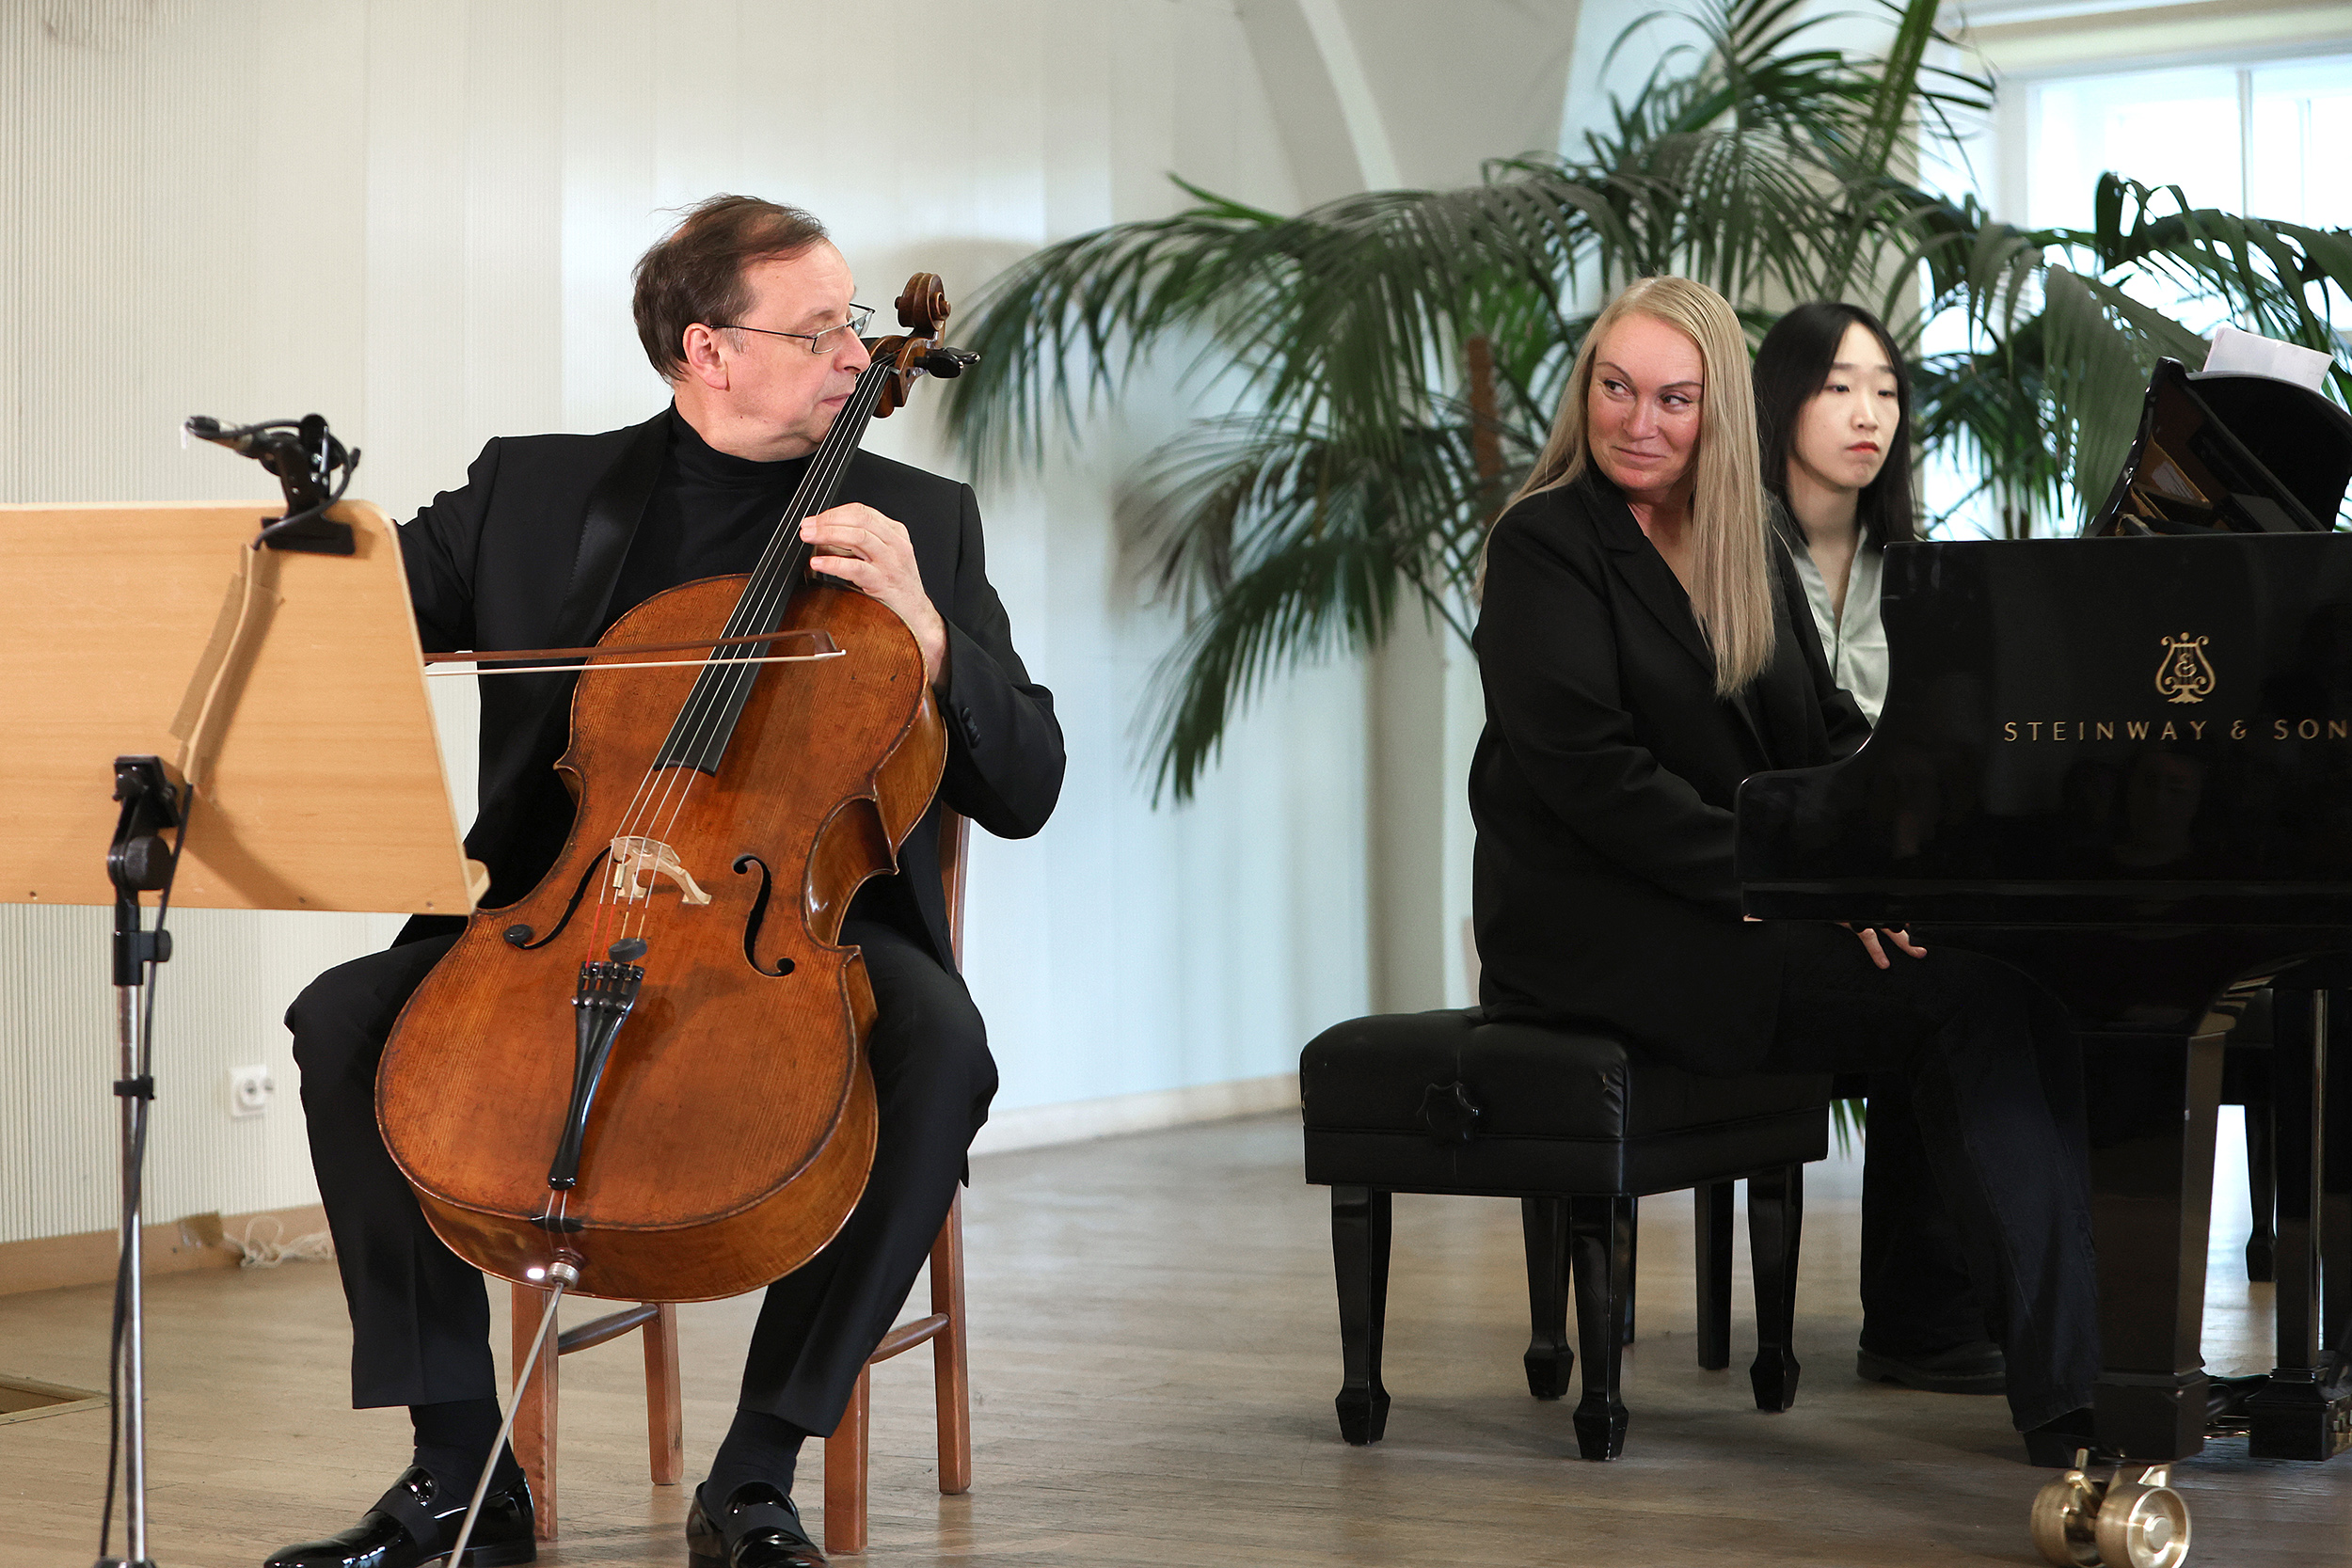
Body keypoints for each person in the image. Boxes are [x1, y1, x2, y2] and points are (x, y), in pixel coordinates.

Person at [267, 196, 1064, 1568]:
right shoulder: (534, 492)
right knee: (341, 1015)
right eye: (817, 331)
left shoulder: (917, 519)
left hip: (801, 925)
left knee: (945, 1050)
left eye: (854, 326)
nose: (854, 353)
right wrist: (300, 520)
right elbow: (359, 608)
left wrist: (931, 631)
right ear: (708, 349)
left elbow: (1031, 782)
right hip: (559, 907)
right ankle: (458, 1470)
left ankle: (755, 1468)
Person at [1467, 275, 2101, 1465]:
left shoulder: (1745, 535)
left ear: (1717, 411)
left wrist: (1914, 819)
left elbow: (1824, 725)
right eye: (1615, 388)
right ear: (1586, 388)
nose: (1637, 422)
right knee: (1968, 1001)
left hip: (1735, 905)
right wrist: (1803, 881)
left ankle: (2055, 1350)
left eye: (1672, 398)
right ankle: (2069, 1397)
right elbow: (1596, 781)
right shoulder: (1543, 542)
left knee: (2014, 972)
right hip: (1602, 926)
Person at [1753, 303, 2005, 1399]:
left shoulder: (1921, 568)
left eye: (1888, 390)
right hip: (1783, 877)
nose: (1869, 413)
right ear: (1780, 400)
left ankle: (1999, 1294)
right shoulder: (1731, 555)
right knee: (1930, 962)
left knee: (2003, 946)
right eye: (1838, 386)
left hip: (1894, 862)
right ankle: (1922, 1313)